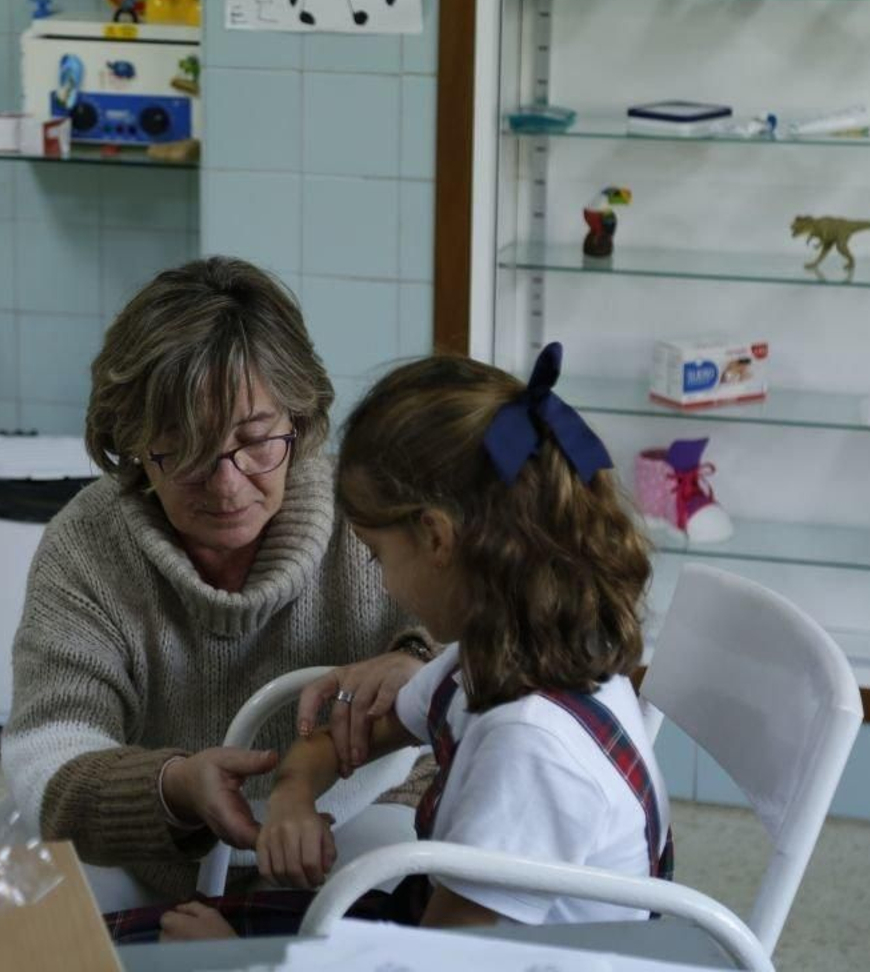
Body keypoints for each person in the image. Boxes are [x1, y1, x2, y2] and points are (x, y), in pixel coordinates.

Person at [157, 345, 668, 940]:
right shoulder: (502, 649)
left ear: (435, 538)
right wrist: (293, 796)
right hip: (438, 929)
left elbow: (438, 962)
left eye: (378, 554)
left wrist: (230, 964)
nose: (381, 579)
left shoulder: (530, 748)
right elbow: (334, 745)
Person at [2, 258, 437, 910]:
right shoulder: (88, 546)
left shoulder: (371, 513)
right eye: (184, 452)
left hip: (369, 817)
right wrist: (174, 786)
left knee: (365, 905)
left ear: (301, 416)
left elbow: (504, 628)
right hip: (157, 849)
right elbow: (51, 766)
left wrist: (418, 660)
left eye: (257, 441)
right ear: (131, 447)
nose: (227, 484)